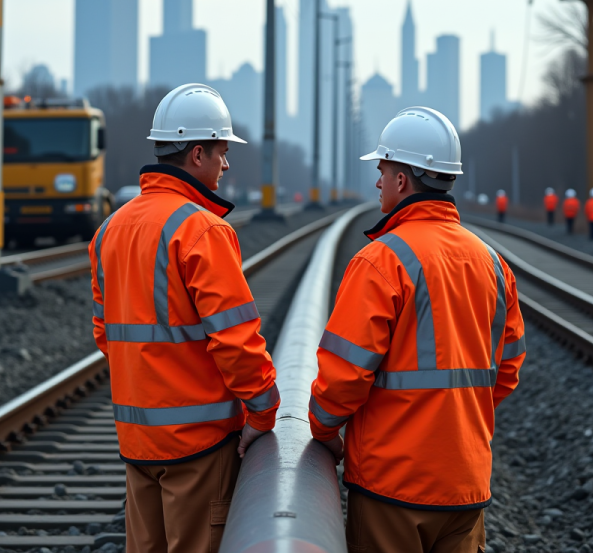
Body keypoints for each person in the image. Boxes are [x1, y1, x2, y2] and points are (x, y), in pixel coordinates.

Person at [309, 106, 526, 553]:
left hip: (393, 485)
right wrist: (457, 418)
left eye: (382, 171)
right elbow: (507, 369)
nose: (378, 182)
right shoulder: (492, 263)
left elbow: (343, 376)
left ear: (402, 179)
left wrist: (324, 432)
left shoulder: (380, 261)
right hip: (465, 483)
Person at [90, 84, 280, 553]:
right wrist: (263, 411)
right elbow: (235, 340)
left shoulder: (110, 230)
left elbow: (105, 336)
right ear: (197, 154)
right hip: (199, 446)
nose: (226, 164)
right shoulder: (202, 230)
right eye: (222, 152)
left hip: (137, 443)